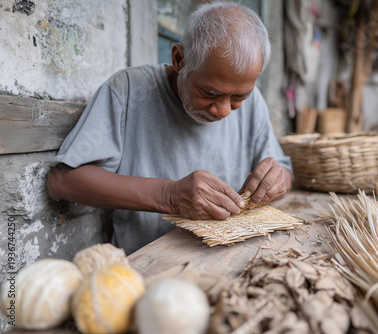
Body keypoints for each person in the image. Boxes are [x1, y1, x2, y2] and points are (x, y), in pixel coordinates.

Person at [47, 2, 292, 255]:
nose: (224, 110)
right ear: (179, 59)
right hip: (149, 269)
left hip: (232, 259)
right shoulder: (129, 92)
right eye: (210, 92)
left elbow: (283, 169)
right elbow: (62, 180)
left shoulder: (255, 103)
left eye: (239, 97)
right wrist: (169, 195)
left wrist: (278, 180)